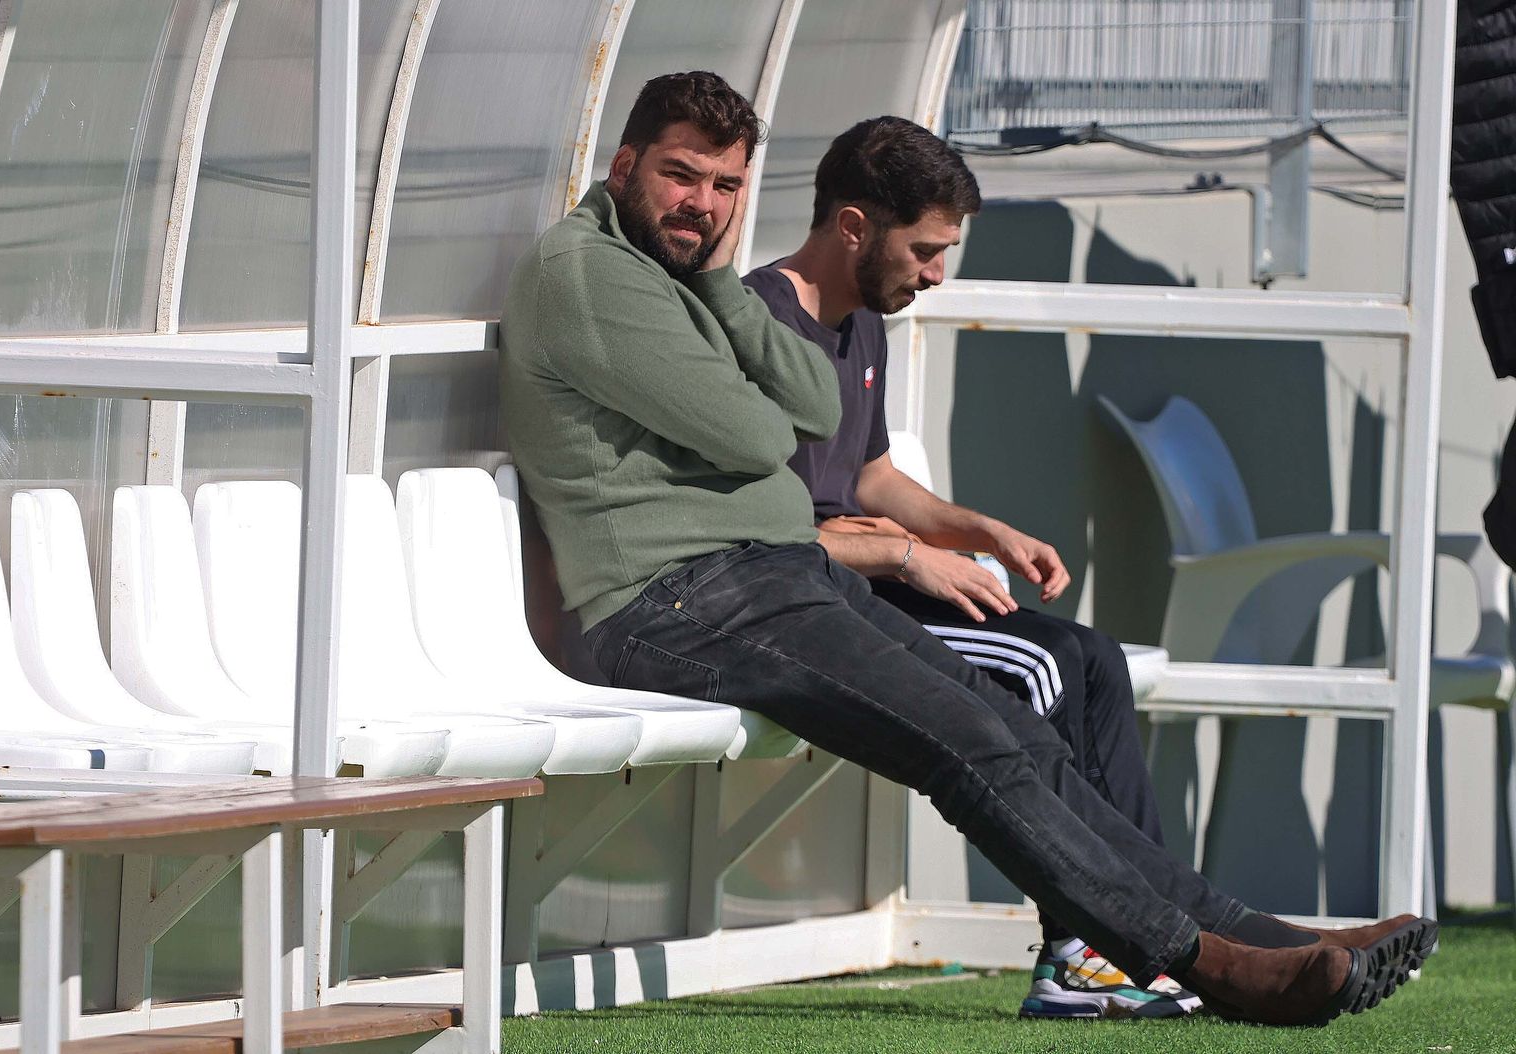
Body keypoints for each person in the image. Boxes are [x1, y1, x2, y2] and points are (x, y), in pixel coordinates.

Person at [498, 69, 1434, 1028]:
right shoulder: (592, 274)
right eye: (680, 175)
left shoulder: (678, 272)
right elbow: (756, 437)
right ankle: (1208, 966)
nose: (702, 205)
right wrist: (732, 330)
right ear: (624, 166)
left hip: (766, 576)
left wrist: (716, 283)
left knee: (1010, 727)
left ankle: (1258, 936)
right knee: (972, 740)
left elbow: (812, 405)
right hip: (673, 601)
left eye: (727, 187)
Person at [742, 114, 1186, 1019]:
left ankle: (1151, 927)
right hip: (807, 602)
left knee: (1094, 658)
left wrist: (981, 532)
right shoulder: (756, 323)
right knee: (1046, 667)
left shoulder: (864, 315)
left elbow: (867, 475)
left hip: (868, 576)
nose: (937, 273)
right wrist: (910, 556)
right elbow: (767, 528)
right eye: (928, 249)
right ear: (855, 226)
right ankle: (1081, 948)